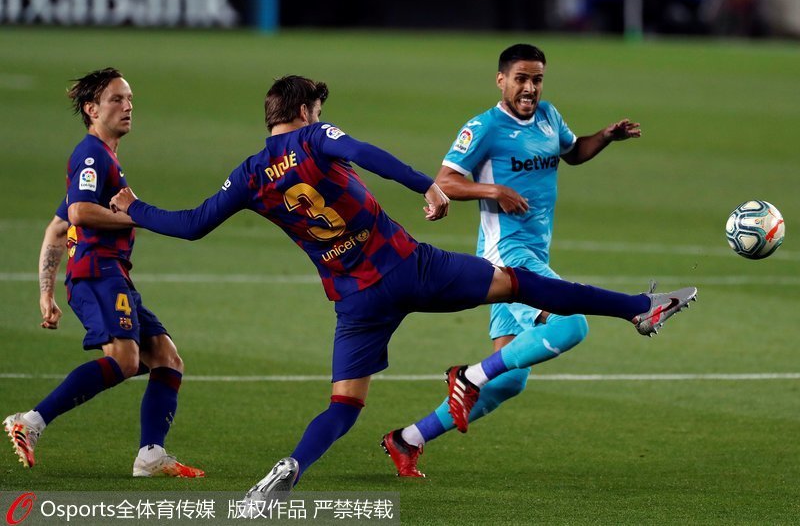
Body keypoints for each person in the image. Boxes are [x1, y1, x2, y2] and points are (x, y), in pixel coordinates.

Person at [108, 75, 695, 504]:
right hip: (409, 267)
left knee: (344, 406)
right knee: (523, 284)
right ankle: (638, 308)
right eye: (318, 108)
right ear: (305, 111)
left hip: (354, 301)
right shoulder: (315, 137)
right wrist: (426, 186)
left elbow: (191, 224)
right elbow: (365, 154)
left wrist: (136, 209)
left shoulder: (250, 173)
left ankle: (291, 466)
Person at [381, 43, 645, 477]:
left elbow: (573, 151)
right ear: (501, 80)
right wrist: (494, 190)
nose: (529, 88)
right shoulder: (485, 127)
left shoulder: (549, 116)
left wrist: (604, 137)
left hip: (533, 253)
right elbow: (445, 181)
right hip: (506, 255)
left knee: (508, 380)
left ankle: (407, 439)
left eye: (537, 79)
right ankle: (467, 377)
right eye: (521, 78)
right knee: (572, 324)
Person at [3, 68, 204, 478]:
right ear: (91, 109)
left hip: (111, 275)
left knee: (166, 357)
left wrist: (46, 292)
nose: (128, 106)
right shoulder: (92, 155)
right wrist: (135, 215)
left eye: (129, 99)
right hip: (97, 273)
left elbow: (57, 227)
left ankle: (150, 455)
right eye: (117, 99)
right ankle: (30, 421)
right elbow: (79, 212)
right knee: (126, 360)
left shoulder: (103, 158)